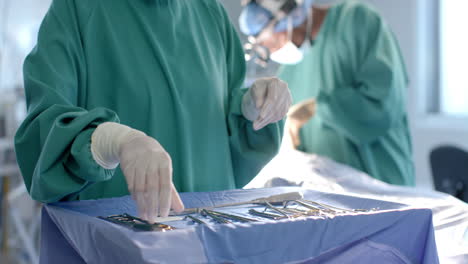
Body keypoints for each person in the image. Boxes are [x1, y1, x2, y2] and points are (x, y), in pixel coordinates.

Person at [15, 0, 292, 222]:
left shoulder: (211, 13)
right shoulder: (78, 9)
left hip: (211, 239)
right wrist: (109, 143)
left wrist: (252, 110)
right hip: (117, 241)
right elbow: (43, 137)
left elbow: (224, 135)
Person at [239, 0, 414, 186]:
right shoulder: (289, 69)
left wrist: (318, 108)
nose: (274, 51)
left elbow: (383, 105)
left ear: (292, 13)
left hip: (381, 181)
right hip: (329, 192)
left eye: (275, 41)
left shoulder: (357, 21)